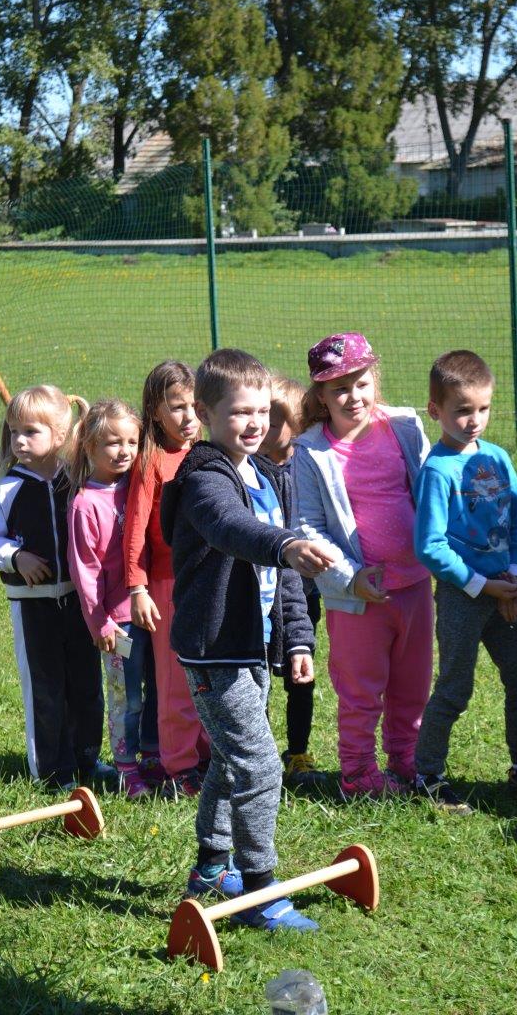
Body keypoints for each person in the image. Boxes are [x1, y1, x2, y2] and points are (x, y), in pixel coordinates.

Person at [160, 348, 336, 932]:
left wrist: (297, 640)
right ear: (206, 414)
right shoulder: (204, 477)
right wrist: (284, 544)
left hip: (253, 647)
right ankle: (260, 890)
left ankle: (212, 869)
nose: (255, 423)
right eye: (240, 412)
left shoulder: (265, 476)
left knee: (230, 759)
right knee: (259, 766)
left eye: (262, 411)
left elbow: (285, 580)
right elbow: (230, 528)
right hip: (215, 649)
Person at [413, 350, 517, 813]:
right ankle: (427, 776)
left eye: (483, 408)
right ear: (435, 410)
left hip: (505, 591)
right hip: (464, 595)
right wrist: (481, 585)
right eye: (462, 410)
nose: (474, 420)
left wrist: (515, 574)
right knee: (455, 688)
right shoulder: (437, 471)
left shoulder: (498, 458)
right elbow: (430, 546)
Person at [292, 333, 433, 800]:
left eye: (361, 383)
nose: (353, 396)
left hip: (415, 585)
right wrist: (351, 577)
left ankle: (407, 760)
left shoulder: (405, 427)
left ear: (376, 380)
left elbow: (431, 492)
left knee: (413, 684)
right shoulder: (311, 452)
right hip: (358, 598)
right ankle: (357, 773)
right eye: (339, 389)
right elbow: (308, 526)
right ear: (321, 396)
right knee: (360, 690)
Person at [0, 385, 107, 792]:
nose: (19, 440)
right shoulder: (8, 488)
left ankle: (87, 760)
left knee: (86, 685)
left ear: (60, 435)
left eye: (30, 431)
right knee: (45, 688)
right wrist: (16, 558)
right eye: (14, 432)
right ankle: (51, 772)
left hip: (80, 603)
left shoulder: (79, 479)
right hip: (33, 607)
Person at [123, 360, 210, 799]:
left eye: (194, 405)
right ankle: (179, 767)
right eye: (177, 407)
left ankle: (208, 756)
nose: (188, 416)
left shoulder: (208, 453)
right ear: (155, 412)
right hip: (168, 586)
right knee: (176, 682)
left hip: (209, 583)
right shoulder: (151, 461)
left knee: (209, 677)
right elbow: (135, 530)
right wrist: (138, 588)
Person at [67, 398, 162, 800]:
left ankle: (154, 756)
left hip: (153, 610)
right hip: (117, 624)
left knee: (159, 688)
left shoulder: (141, 486)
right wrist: (100, 624)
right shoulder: (84, 504)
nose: (124, 451)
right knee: (127, 695)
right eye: (112, 442)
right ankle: (126, 766)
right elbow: (84, 572)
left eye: (131, 442)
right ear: (89, 446)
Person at [258, 374, 325, 791]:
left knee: (302, 673)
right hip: (263, 593)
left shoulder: (306, 466)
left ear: (298, 423)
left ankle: (298, 751)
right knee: (259, 674)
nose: (263, 425)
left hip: (305, 592)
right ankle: (261, 752)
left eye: (275, 418)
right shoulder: (248, 470)